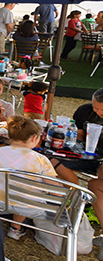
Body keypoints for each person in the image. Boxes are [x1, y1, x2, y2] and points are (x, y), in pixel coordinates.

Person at [0, 116, 58, 241]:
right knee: (25, 193)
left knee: (13, 189)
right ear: (34, 138)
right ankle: (15, 228)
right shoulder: (41, 160)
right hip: (30, 208)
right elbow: (55, 191)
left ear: (9, 136)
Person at [52, 88, 103, 232]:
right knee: (54, 162)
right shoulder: (85, 111)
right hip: (85, 155)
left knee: (97, 180)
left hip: (100, 161)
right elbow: (77, 134)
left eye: (102, 110)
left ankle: (92, 207)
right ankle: (68, 203)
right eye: (95, 108)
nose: (98, 112)